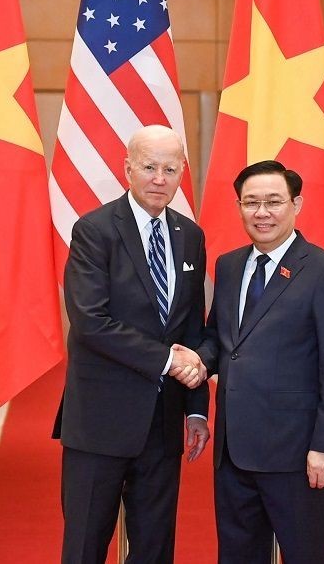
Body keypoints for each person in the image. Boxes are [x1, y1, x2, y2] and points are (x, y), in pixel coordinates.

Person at [53, 125, 210, 564]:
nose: (160, 178)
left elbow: (191, 331)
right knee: (85, 547)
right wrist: (167, 359)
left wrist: (196, 407)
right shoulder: (94, 230)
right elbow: (91, 321)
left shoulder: (190, 235)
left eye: (170, 169)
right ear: (127, 170)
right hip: (100, 423)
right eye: (149, 167)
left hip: (162, 427)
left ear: (182, 174)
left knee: (155, 550)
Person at [197, 160, 324, 564]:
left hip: (297, 455)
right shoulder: (229, 266)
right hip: (234, 452)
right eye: (251, 203)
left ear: (296, 204)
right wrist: (195, 361)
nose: (262, 213)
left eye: (273, 202)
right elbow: (222, 339)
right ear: (239, 207)